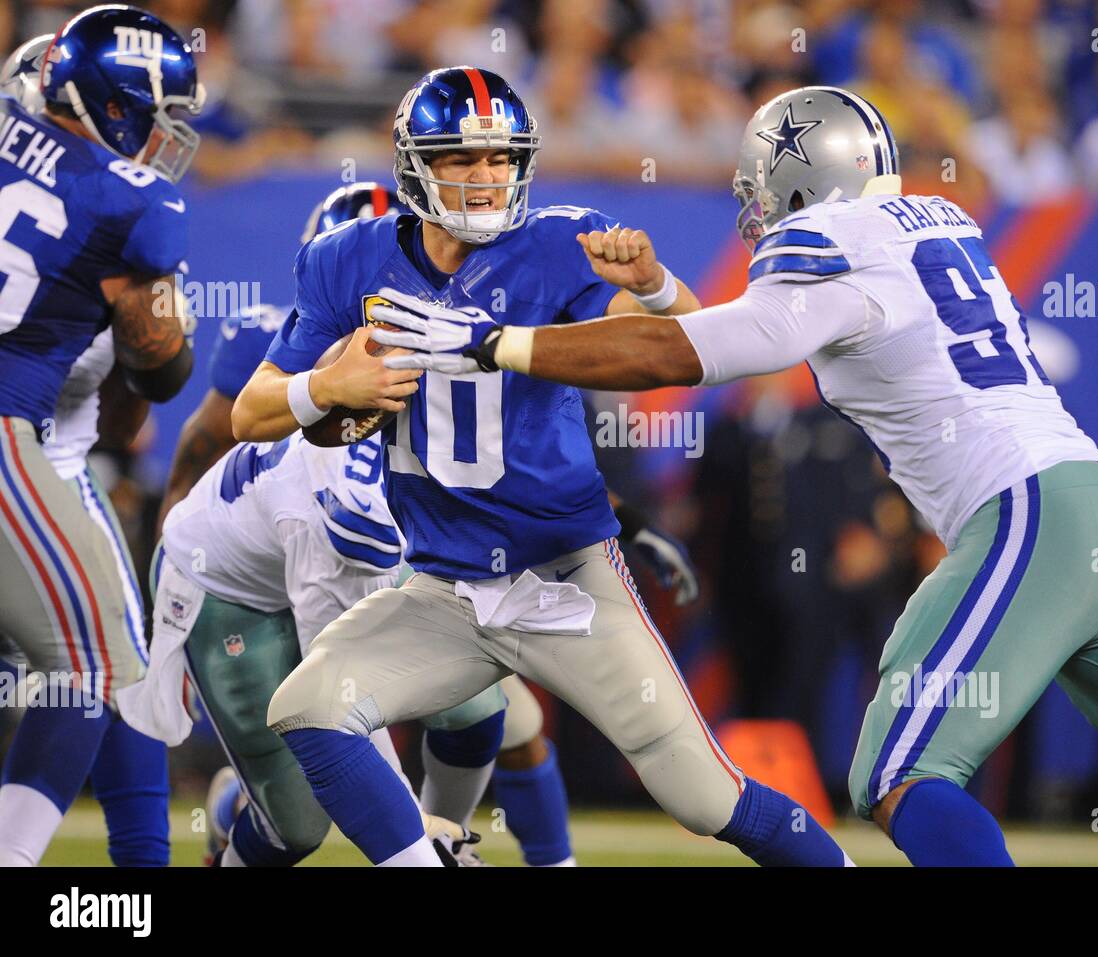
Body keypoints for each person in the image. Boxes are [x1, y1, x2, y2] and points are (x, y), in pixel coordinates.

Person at [378, 85, 1098, 867]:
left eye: (761, 189)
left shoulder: (827, 239)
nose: (755, 210)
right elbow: (716, 332)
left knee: (896, 774)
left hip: (1035, 512)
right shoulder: (934, 223)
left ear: (803, 176)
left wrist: (496, 341)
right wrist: (655, 294)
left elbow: (691, 353)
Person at [232, 66, 850, 867]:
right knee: (310, 706)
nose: (487, 178)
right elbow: (253, 411)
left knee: (707, 797)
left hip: (565, 580)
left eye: (501, 159)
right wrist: (327, 386)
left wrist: (656, 288)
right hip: (443, 588)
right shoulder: (346, 261)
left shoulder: (561, 241)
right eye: (462, 158)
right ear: (415, 163)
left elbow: (694, 338)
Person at [0, 5, 201, 867]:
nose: (162, 137)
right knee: (95, 660)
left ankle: (140, 876)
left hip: (53, 452)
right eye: (153, 116)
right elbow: (155, 378)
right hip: (28, 445)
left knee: (121, 662)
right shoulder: (131, 208)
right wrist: (158, 328)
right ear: (110, 107)